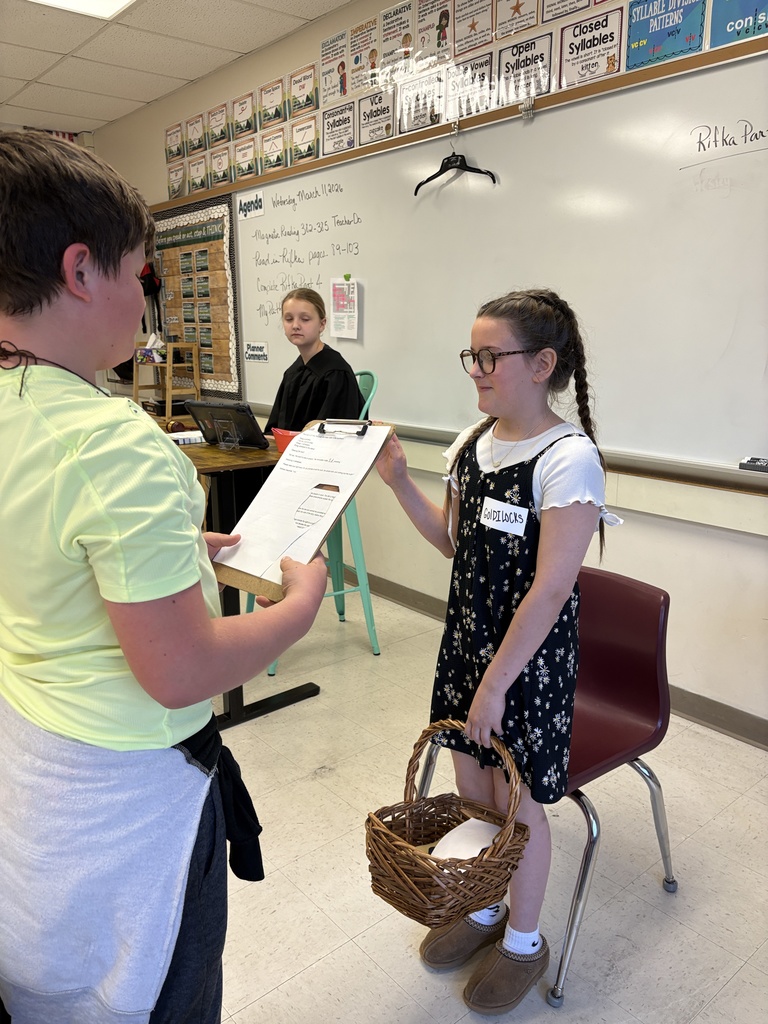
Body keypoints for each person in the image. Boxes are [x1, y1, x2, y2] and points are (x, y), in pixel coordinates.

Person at [0, 131, 328, 1024]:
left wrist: (181, 552)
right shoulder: (111, 440)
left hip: (32, 762)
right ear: (81, 270)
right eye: (139, 272)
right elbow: (182, 669)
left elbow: (55, 553)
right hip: (126, 796)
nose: (144, 298)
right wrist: (299, 608)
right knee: (157, 997)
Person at [376, 289, 621, 1016]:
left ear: (542, 364)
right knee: (473, 794)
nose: (476, 370)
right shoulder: (472, 443)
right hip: (466, 648)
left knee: (518, 808)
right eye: (472, 355)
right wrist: (398, 481)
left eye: (491, 356)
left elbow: (550, 591)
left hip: (523, 667)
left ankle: (523, 940)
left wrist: (494, 686)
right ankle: (484, 905)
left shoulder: (568, 459)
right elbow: (455, 546)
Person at [265, 288, 364, 433]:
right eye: (289, 319)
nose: (295, 325)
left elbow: (333, 436)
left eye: (305, 319)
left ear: (322, 324)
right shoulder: (293, 372)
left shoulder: (335, 374)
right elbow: (274, 429)